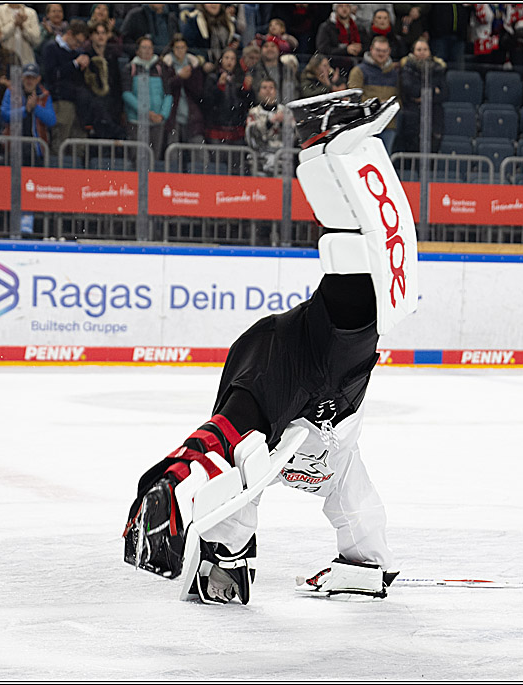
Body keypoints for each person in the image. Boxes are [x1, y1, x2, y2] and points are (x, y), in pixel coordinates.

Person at [123, 90, 418, 605]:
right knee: (368, 286)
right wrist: (167, 486)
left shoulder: (277, 424)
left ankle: (325, 145)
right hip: (305, 377)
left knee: (254, 463)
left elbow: (221, 444)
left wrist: (169, 488)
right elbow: (220, 442)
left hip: (300, 373)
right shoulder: (281, 418)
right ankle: (327, 147)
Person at [41, 19, 94, 152]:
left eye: (81, 43)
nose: (78, 46)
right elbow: (51, 75)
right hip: (61, 101)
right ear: (69, 33)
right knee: (60, 142)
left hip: (78, 103)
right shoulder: (51, 48)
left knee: (79, 144)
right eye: (77, 42)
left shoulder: (77, 52)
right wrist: (74, 64)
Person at [122, 35, 174, 159]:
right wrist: (146, 113)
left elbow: (168, 94)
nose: (147, 50)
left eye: (150, 47)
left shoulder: (160, 68)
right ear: (137, 50)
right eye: (144, 47)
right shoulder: (130, 68)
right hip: (136, 121)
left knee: (154, 158)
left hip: (157, 123)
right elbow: (126, 94)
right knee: (136, 157)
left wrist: (162, 115)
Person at [348, 35, 400, 152]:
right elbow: (354, 99)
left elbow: (399, 97)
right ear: (371, 49)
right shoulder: (358, 71)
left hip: (388, 125)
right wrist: (377, 104)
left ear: (389, 51)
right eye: (378, 50)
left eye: (384, 51)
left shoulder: (395, 73)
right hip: (366, 126)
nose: (381, 54)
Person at [395, 37, 446, 153]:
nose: (422, 52)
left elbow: (444, 93)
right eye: (419, 49)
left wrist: (426, 95)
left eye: (425, 49)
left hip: (434, 119)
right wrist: (434, 91)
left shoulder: (438, 69)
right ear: (413, 52)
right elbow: (411, 90)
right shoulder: (407, 69)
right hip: (412, 119)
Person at [0, 62, 56, 159]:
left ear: (38, 79)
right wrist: (25, 110)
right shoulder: (11, 91)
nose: (29, 81)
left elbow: (52, 120)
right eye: (27, 77)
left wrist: (35, 108)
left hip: (36, 148)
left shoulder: (45, 95)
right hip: (14, 149)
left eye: (33, 78)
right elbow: (4, 115)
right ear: (22, 77)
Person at [162, 33, 207, 148]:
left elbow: (198, 90)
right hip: (173, 113)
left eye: (182, 47)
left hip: (191, 112)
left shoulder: (194, 65)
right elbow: (165, 87)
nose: (180, 50)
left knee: (198, 148)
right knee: (173, 149)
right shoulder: (166, 65)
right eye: (177, 47)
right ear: (173, 49)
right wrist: (179, 77)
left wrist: (188, 78)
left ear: (186, 48)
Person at [202, 48, 254, 145]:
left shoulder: (240, 79)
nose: (229, 61)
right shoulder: (212, 77)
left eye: (232, 59)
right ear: (221, 60)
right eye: (226, 58)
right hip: (216, 127)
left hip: (236, 129)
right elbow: (207, 101)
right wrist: (219, 87)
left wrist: (247, 90)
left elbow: (247, 103)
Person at [83, 22, 125, 139]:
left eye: (103, 33)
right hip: (94, 104)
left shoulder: (112, 57)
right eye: (97, 33)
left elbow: (117, 84)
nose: (100, 36)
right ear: (91, 36)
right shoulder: (86, 56)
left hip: (112, 103)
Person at [245, 78, 294, 175]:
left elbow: (294, 136)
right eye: (264, 88)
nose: (268, 90)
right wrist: (270, 122)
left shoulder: (286, 112)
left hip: (282, 163)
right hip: (260, 162)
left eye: (271, 88)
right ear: (259, 92)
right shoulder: (254, 113)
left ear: (276, 91)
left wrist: (283, 123)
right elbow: (252, 137)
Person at [315, 3, 365, 76]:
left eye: (347, 6)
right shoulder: (326, 27)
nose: (344, 9)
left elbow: (367, 45)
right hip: (333, 66)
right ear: (335, 8)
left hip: (357, 65)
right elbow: (323, 49)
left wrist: (359, 48)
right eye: (341, 6)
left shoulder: (359, 27)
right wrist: (346, 50)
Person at [248, 37, 300, 104]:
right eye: (266, 46)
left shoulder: (288, 70)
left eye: (273, 46)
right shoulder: (253, 71)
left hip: (287, 111)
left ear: (278, 50)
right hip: (262, 112)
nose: (270, 49)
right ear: (261, 50)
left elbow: (296, 91)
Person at [0, 3, 41, 68]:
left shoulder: (31, 13)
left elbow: (36, 40)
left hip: (26, 63)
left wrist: (22, 27)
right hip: (3, 63)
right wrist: (14, 24)